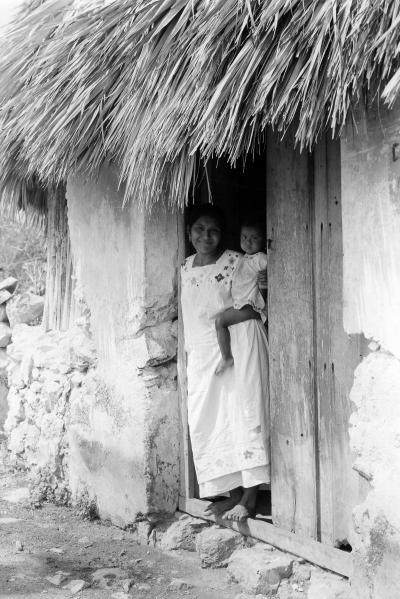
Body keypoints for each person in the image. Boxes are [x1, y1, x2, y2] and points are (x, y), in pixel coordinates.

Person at [180, 204, 270, 521]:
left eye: (214, 229)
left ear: (223, 233)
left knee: (244, 415)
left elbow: (256, 306)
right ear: (189, 231)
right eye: (200, 229)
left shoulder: (237, 261)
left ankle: (250, 497)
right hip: (202, 356)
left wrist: (225, 323)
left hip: (238, 345)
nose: (206, 236)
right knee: (211, 420)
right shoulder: (185, 267)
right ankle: (232, 495)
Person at [214, 218, 268, 375]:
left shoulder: (261, 258)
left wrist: (268, 278)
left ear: (263, 240)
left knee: (220, 322)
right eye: (244, 237)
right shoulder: (241, 259)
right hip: (240, 304)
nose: (248, 242)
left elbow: (276, 270)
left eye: (254, 238)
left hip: (250, 305)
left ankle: (226, 358)